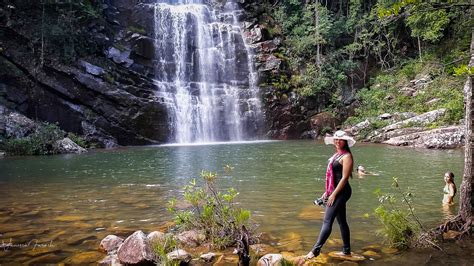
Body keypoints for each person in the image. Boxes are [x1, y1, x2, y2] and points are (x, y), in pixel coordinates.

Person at [305, 130, 355, 260]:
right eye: (336, 139)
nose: (338, 141)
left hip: (342, 191)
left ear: (345, 142)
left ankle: (315, 250)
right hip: (334, 191)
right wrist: (326, 193)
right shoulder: (336, 155)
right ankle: (347, 251)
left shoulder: (347, 156)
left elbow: (344, 179)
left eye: (341, 139)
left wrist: (333, 195)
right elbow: (333, 177)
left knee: (327, 220)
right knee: (342, 221)